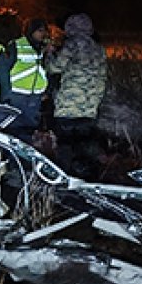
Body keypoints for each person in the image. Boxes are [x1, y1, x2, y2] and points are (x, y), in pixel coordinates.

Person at [45, 13, 109, 177]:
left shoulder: (72, 45)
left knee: (66, 145)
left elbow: (54, 67)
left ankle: (64, 179)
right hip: (90, 107)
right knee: (85, 145)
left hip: (69, 106)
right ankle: (88, 178)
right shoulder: (98, 48)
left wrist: (50, 53)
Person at [0, 18, 52, 143]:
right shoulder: (16, 45)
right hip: (17, 96)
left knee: (29, 133)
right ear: (31, 31)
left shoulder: (41, 49)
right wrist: (6, 93)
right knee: (14, 131)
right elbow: (3, 70)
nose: (43, 34)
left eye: (44, 31)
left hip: (34, 98)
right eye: (40, 31)